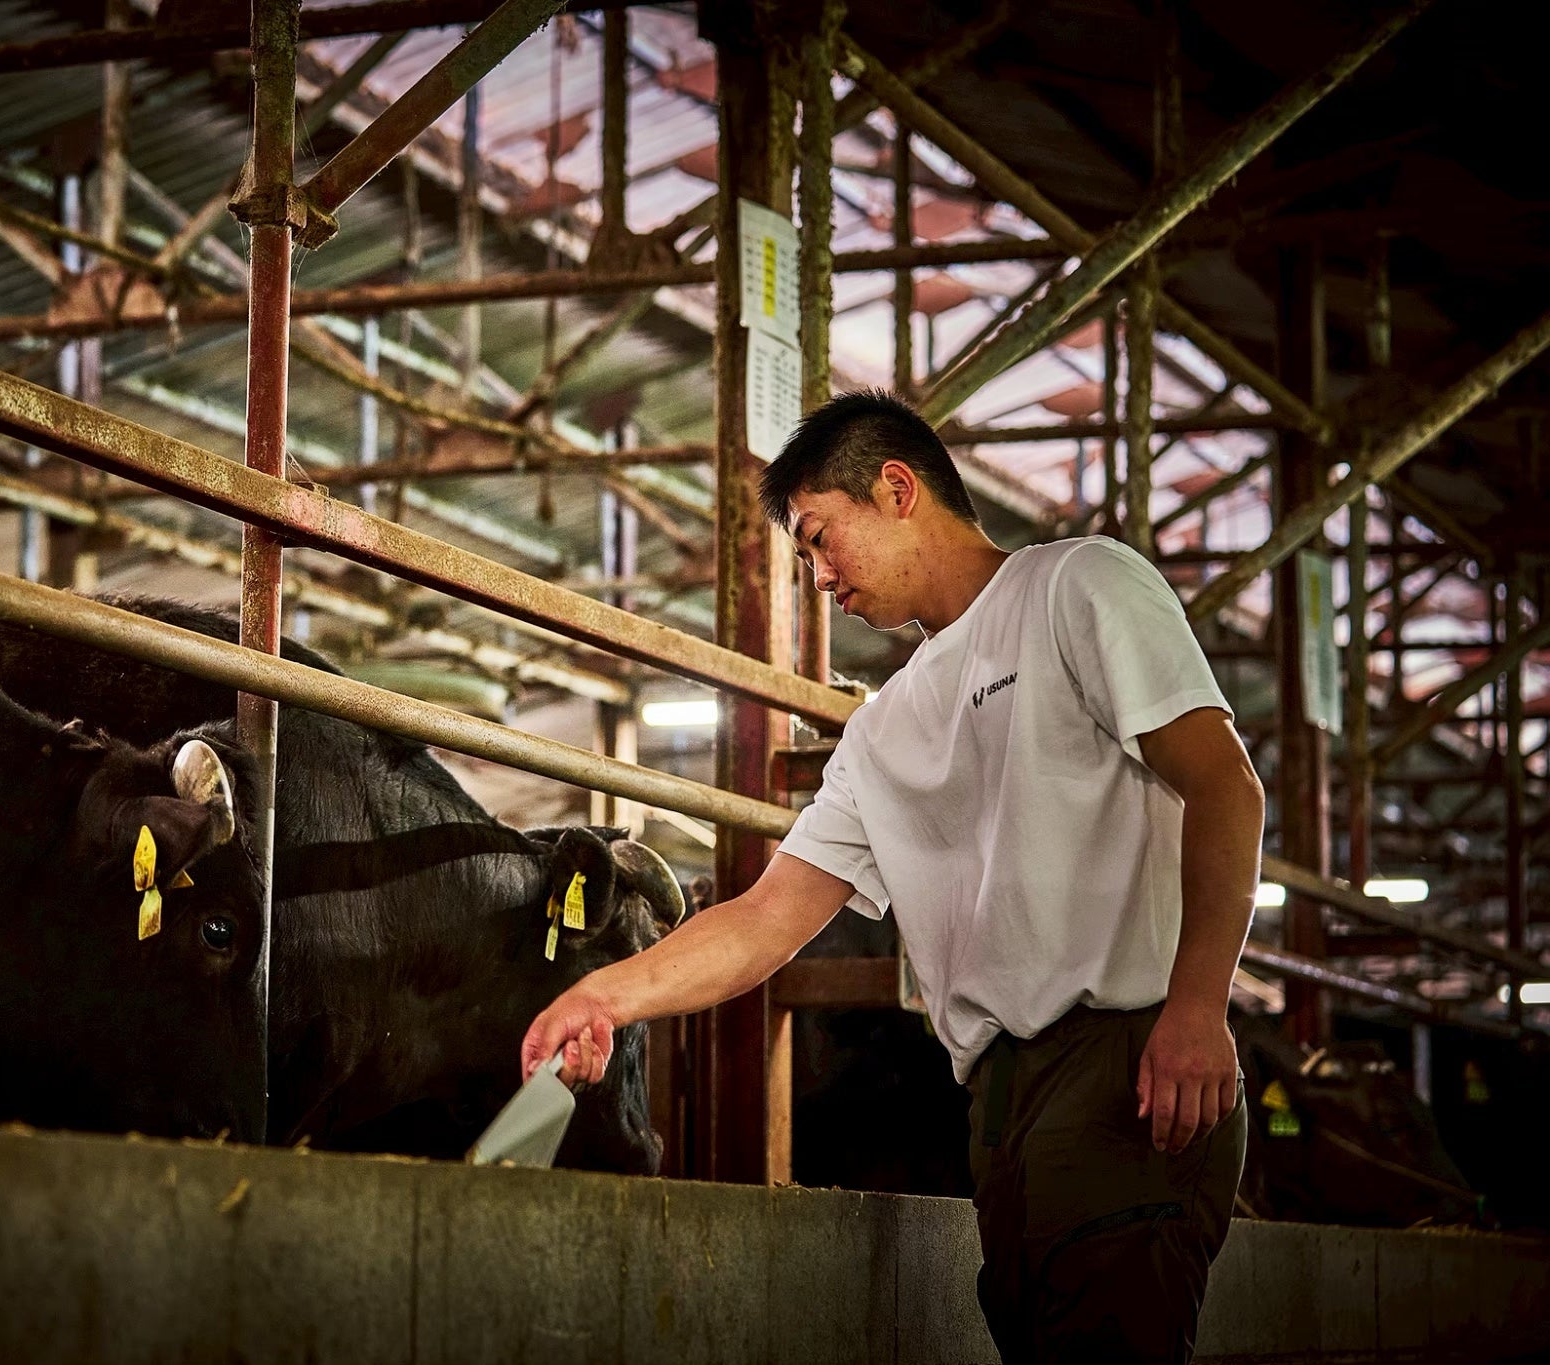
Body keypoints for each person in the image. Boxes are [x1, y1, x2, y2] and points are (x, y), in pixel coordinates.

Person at [523, 391, 1264, 1364]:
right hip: (997, 1101)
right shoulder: (883, 728)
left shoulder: (1075, 587)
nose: (819, 577)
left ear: (897, 489)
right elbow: (764, 917)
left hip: (1121, 1061)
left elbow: (1225, 786)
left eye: (820, 539)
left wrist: (1198, 1006)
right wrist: (602, 996)